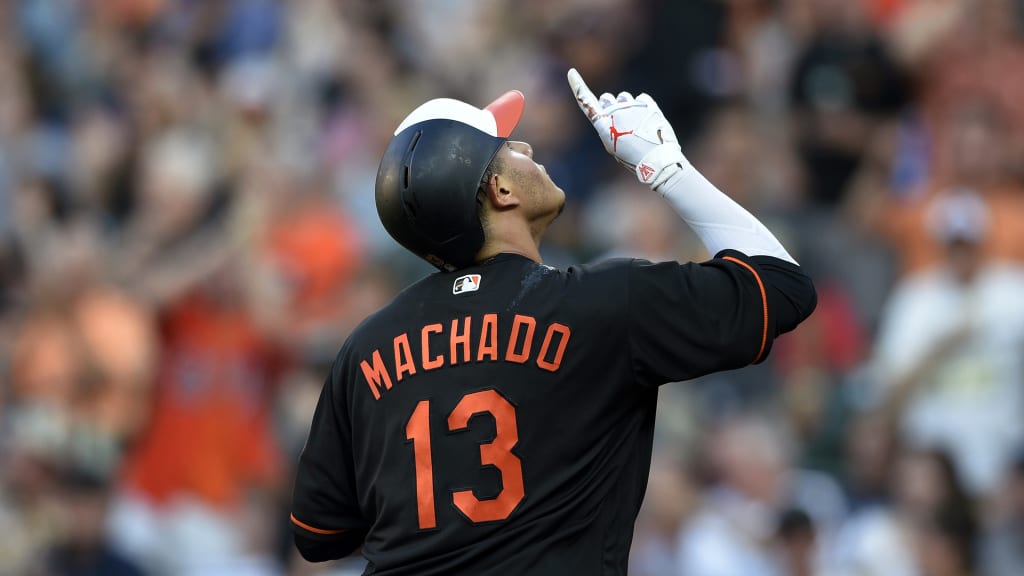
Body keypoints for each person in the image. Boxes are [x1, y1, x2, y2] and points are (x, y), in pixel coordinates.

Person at [290, 69, 817, 575]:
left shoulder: (365, 349)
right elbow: (783, 286)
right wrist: (665, 166)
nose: (529, 149)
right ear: (501, 191)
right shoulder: (598, 304)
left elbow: (319, 532)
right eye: (510, 147)